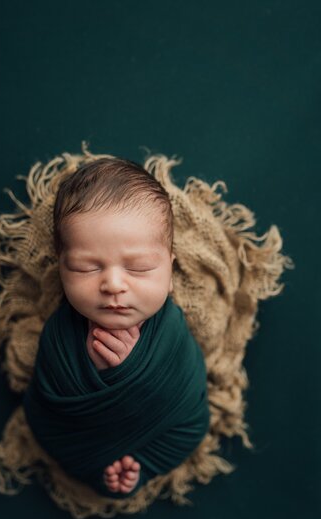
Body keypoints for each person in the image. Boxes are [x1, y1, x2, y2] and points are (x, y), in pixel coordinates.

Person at [23, 157, 210, 499]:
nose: (112, 284)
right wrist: (93, 370)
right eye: (85, 268)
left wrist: (133, 373)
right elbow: (45, 408)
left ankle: (136, 469)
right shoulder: (60, 334)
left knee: (192, 427)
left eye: (138, 267)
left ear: (169, 272)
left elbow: (189, 393)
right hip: (77, 442)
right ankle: (110, 471)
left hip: (160, 438)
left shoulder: (172, 329)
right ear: (60, 268)